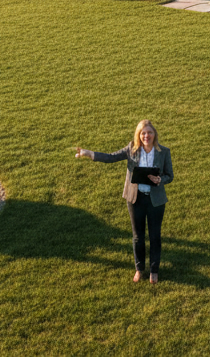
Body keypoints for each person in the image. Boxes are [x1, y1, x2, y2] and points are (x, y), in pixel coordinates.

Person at [74, 119, 173, 284]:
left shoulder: (163, 152)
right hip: (135, 199)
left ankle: (154, 271)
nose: (146, 136)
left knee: (155, 236)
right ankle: (139, 269)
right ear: (138, 135)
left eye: (149, 132)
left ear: (154, 134)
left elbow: (170, 175)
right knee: (137, 237)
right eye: (143, 133)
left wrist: (159, 179)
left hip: (156, 201)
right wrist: (88, 153)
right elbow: (110, 157)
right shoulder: (131, 150)